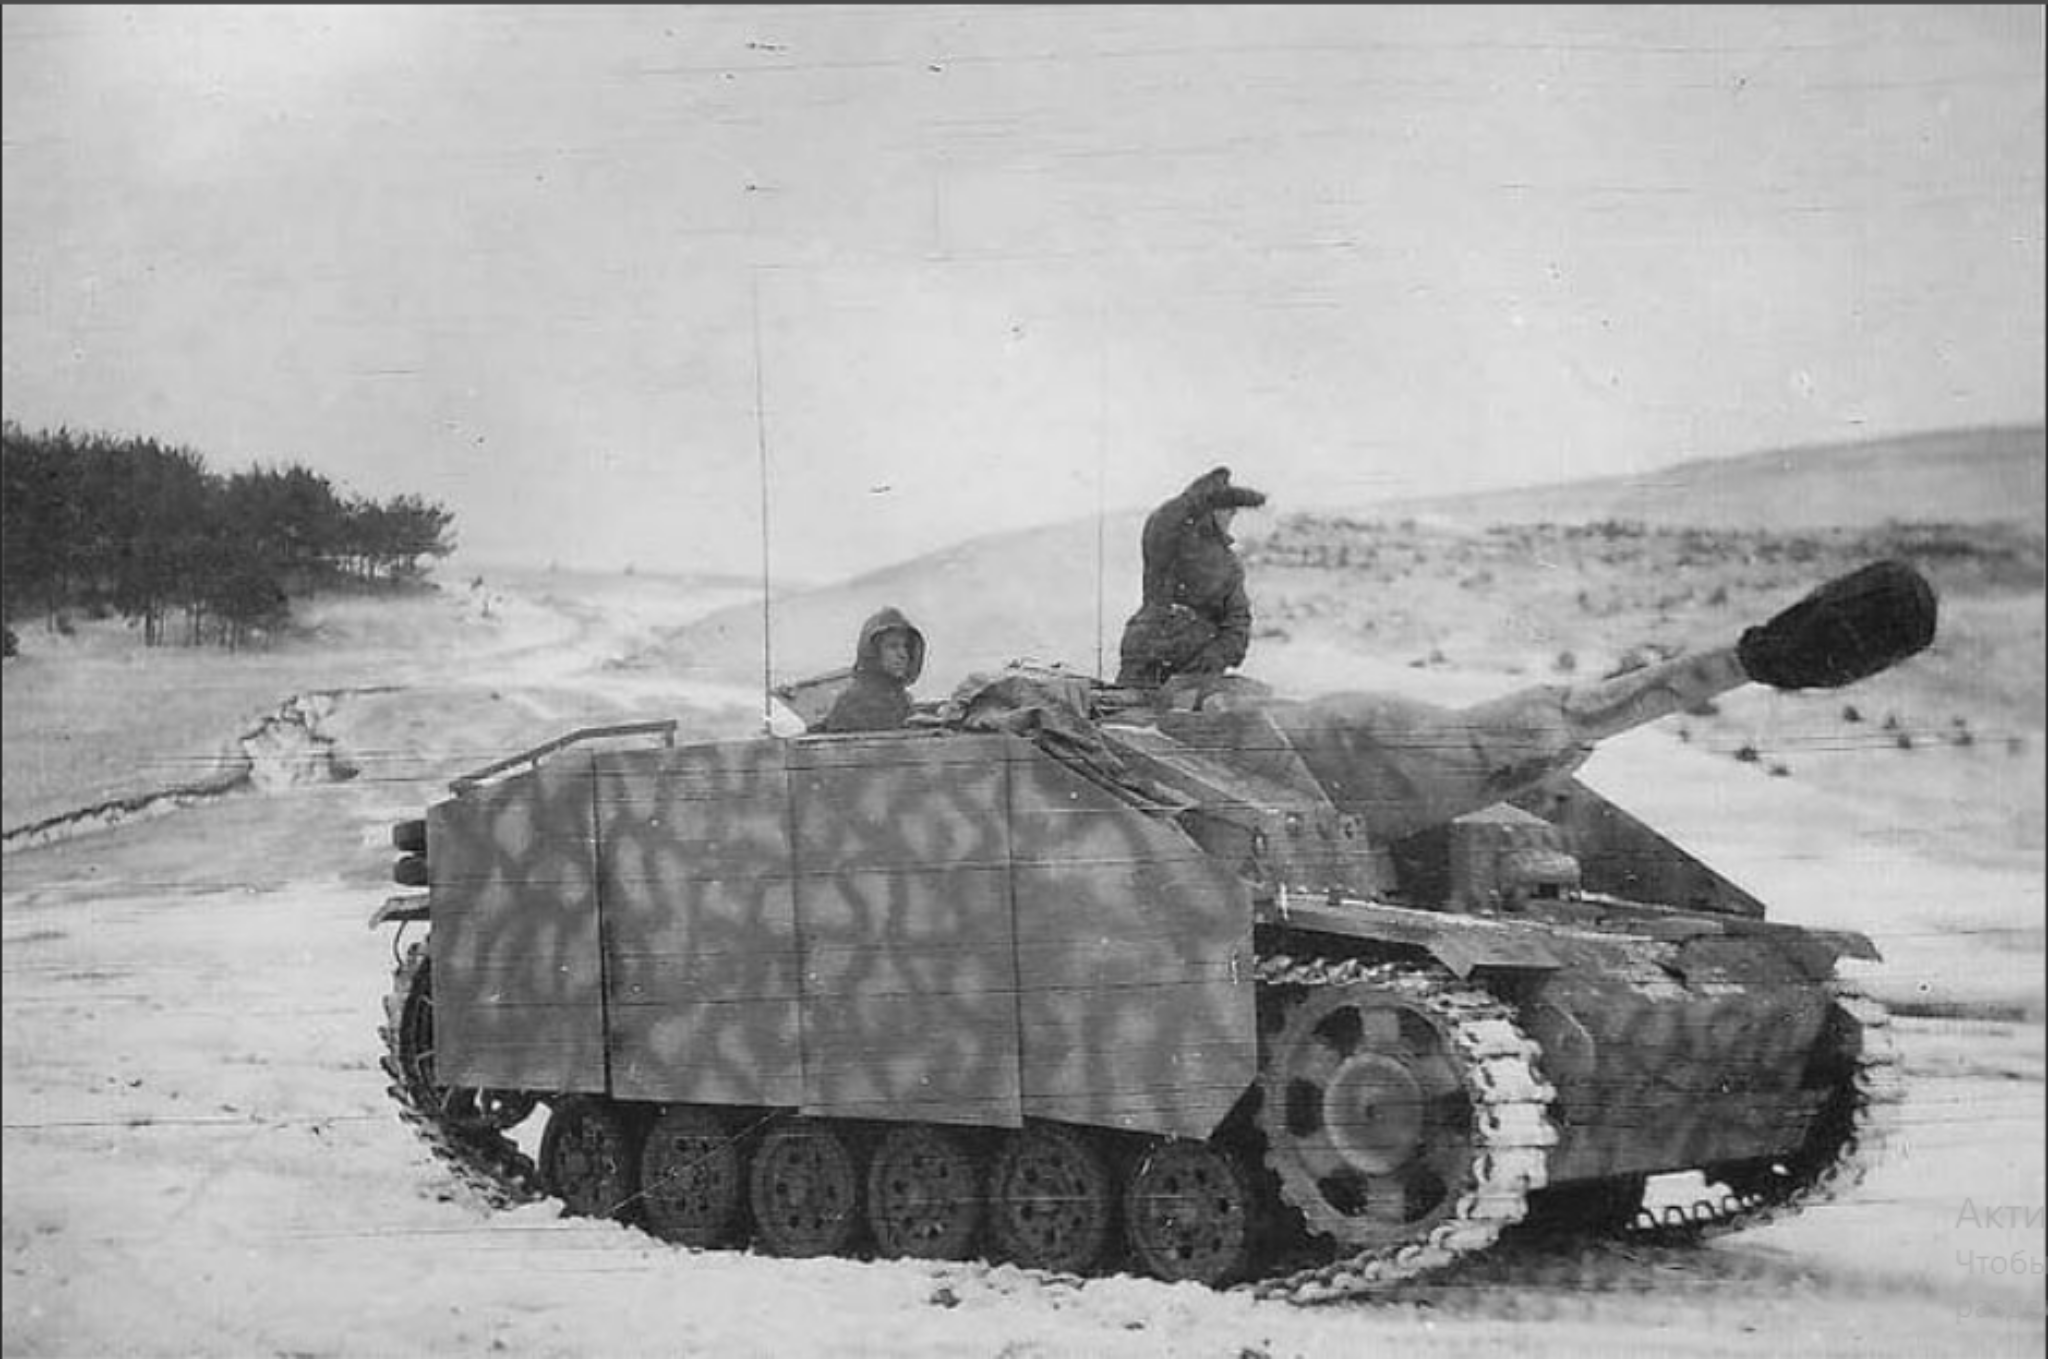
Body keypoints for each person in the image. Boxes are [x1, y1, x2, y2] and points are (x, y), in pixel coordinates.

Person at [1115, 466, 1267, 688]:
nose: (1233, 514)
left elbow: (1238, 621)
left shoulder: (1231, 564)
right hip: (1148, 656)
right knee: (1124, 708)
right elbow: (1171, 513)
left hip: (1197, 666)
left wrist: (1216, 656)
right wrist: (1204, 496)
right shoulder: (1170, 537)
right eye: (1227, 506)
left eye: (1234, 508)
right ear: (1209, 509)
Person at [816, 606, 927, 733]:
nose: (903, 654)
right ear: (873, 653)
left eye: (906, 646)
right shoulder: (855, 702)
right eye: (893, 646)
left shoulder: (899, 698)